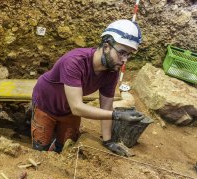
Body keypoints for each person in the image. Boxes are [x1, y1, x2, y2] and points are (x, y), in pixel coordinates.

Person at [31, 19, 145, 156]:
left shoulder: (111, 72)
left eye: (128, 55)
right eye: (122, 52)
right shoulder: (75, 61)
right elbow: (77, 107)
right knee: (40, 149)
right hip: (46, 105)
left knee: (66, 147)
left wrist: (108, 141)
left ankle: (56, 144)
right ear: (107, 46)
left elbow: (106, 107)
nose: (125, 59)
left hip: (68, 110)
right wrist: (118, 115)